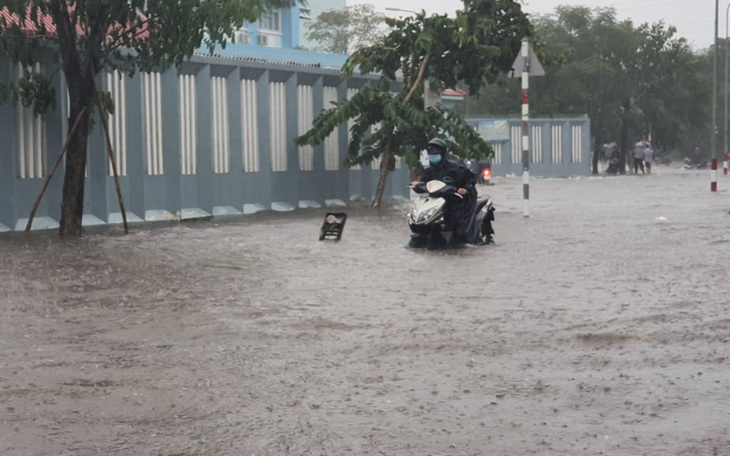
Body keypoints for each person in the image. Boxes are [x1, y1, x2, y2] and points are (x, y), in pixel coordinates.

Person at [411, 138, 477, 242]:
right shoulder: (429, 171)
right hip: (436, 203)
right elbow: (424, 184)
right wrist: (418, 185)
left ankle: (461, 238)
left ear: (442, 154)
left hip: (454, 201)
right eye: (431, 154)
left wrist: (465, 189)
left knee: (458, 226)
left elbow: (470, 179)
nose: (433, 156)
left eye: (435, 154)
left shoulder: (455, 168)